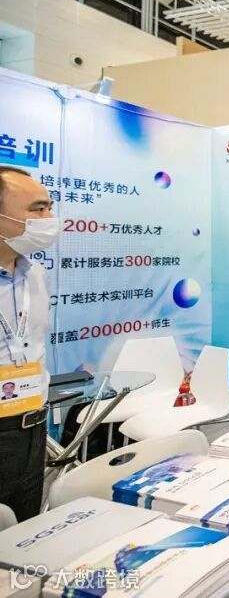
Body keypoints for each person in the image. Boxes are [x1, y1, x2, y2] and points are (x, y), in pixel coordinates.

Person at [0, 166, 57, 521]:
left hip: (32, 426)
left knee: (24, 534)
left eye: (49, 207)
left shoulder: (35, 274)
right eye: (38, 209)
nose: (49, 219)